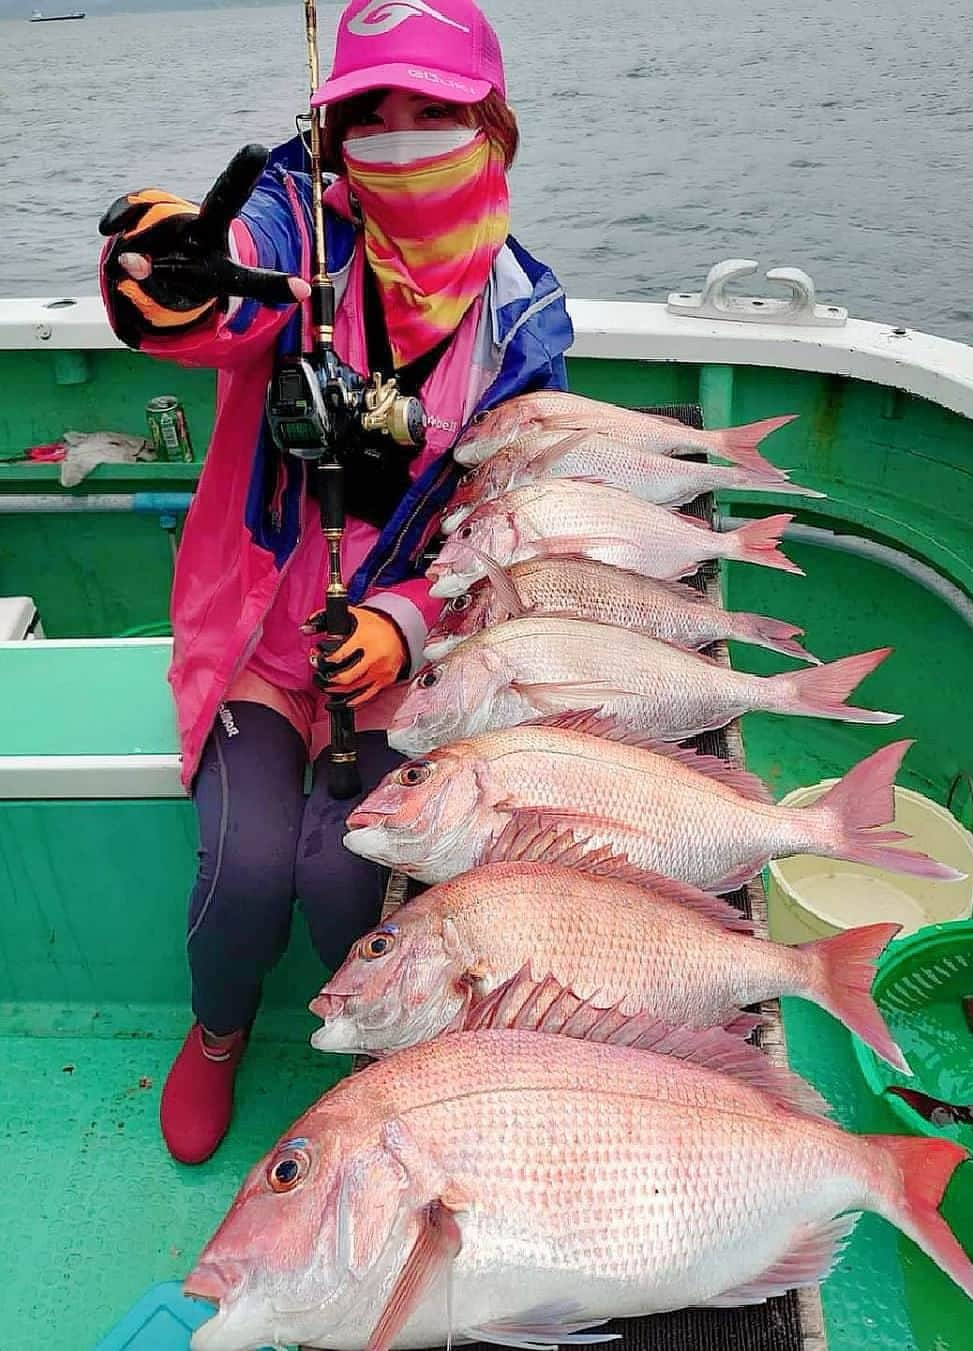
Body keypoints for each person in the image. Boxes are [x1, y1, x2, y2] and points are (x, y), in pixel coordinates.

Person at [97, 0, 572, 1165]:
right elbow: (216, 292)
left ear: (493, 126)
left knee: (344, 873)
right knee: (247, 866)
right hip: (262, 635)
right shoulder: (299, 223)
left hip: (411, 657)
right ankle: (221, 1031)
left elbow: (507, 524)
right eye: (371, 114)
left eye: (435, 113)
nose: (402, 139)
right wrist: (164, 280)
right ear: (333, 133)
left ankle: (372, 1037)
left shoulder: (525, 320)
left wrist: (408, 624)